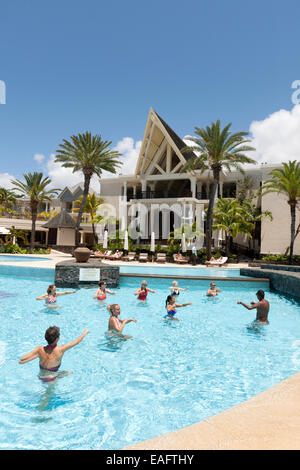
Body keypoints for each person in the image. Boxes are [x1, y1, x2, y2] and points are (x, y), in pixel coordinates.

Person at [18, 326, 89, 382]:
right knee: (47, 397)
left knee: (68, 372)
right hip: (52, 378)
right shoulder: (61, 349)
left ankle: (62, 374)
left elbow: (21, 361)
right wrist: (85, 333)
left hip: (41, 376)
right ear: (57, 339)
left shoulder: (39, 349)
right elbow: (77, 342)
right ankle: (60, 375)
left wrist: (37, 355)